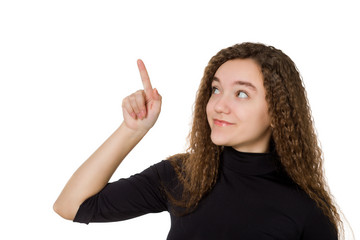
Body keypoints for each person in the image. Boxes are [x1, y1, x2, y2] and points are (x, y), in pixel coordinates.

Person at [53, 42, 343, 239]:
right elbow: (71, 206)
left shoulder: (307, 210)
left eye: (241, 93)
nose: (219, 105)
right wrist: (133, 130)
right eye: (216, 90)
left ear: (277, 112)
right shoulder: (184, 175)